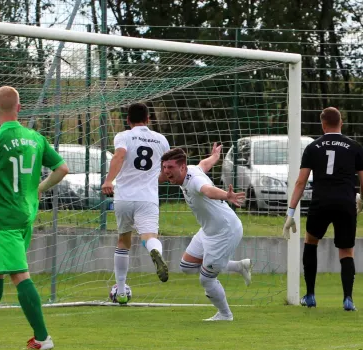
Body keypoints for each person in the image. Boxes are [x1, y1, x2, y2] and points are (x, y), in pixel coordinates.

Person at [0, 86, 69, 350]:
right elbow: (62, 168)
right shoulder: (36, 138)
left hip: (5, 219)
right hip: (27, 214)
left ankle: (43, 338)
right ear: (20, 108)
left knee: (19, 275)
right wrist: (40, 188)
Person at [283, 107, 363, 311]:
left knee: (311, 241)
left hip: (321, 202)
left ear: (323, 124)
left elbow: (300, 183)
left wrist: (290, 212)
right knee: (346, 250)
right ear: (341, 123)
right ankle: (348, 299)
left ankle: (310, 295)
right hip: (346, 203)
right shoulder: (355, 147)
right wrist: (362, 200)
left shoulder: (313, 147)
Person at [160, 144, 252, 321]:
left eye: (170, 167)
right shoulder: (191, 170)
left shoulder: (194, 180)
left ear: (182, 167)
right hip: (208, 230)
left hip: (225, 231)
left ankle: (225, 315)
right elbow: (204, 164)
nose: (166, 172)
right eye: (164, 167)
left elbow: (208, 191)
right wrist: (215, 157)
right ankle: (239, 266)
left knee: (206, 279)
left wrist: (227, 195)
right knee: (186, 266)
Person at [102, 103, 170, 304]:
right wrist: (152, 179)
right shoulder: (161, 139)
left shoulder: (124, 136)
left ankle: (121, 291)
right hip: (147, 198)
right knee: (149, 237)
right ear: (148, 119)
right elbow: (166, 170)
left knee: (123, 241)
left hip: (124, 197)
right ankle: (153, 250)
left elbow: (120, 155)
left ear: (128, 120)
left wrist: (108, 181)